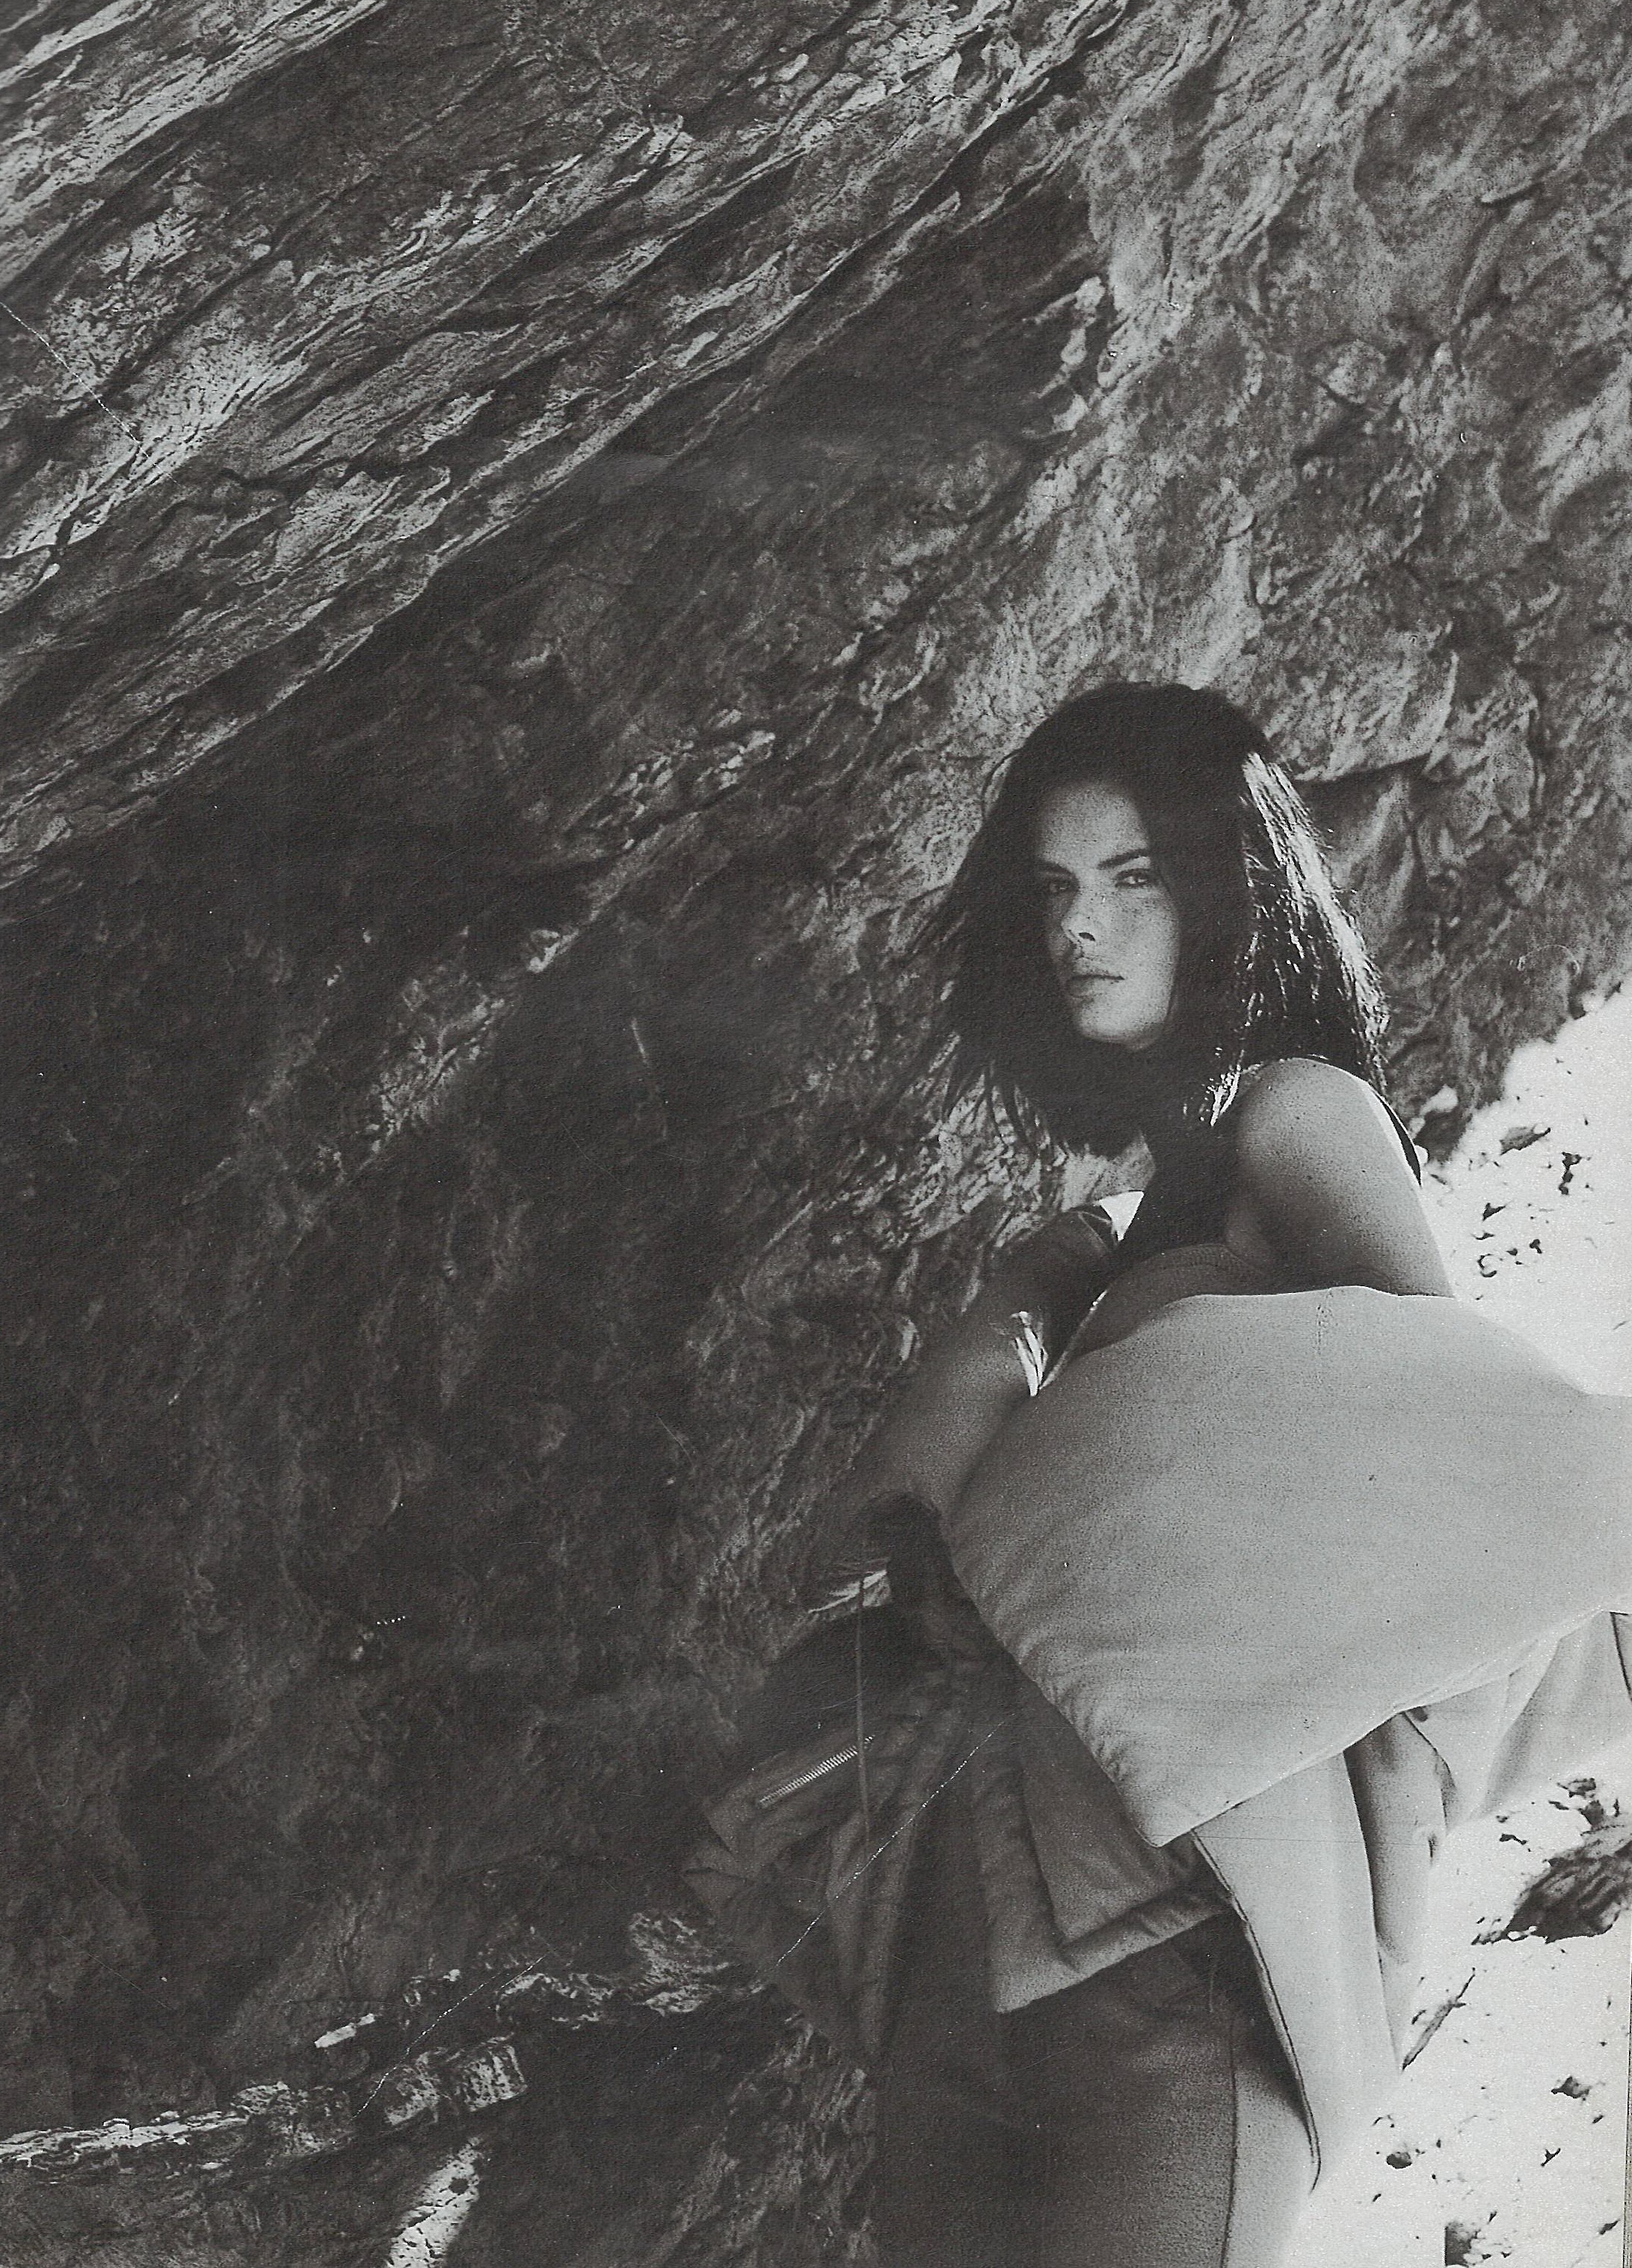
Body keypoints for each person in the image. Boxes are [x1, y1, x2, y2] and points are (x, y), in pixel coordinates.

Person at [690, 681, 1632, 2268]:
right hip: (974, 1930)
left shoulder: (1299, 1113)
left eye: (1134, 877)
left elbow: (1437, 1461)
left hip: (1179, 1937)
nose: (1081, 924)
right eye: (1054, 885)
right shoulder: (1118, 1222)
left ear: (1228, 890)